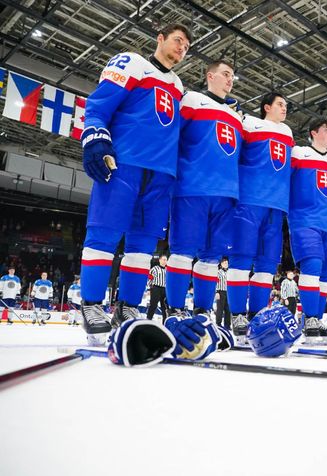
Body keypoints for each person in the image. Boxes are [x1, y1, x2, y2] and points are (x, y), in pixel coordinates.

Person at [78, 24, 191, 345]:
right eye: (177, 40)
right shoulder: (131, 62)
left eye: (187, 45)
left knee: (143, 245)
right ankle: (91, 305)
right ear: (160, 39)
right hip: (125, 163)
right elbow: (99, 105)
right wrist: (96, 138)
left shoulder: (178, 85)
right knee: (105, 231)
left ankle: (126, 307)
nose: (182, 47)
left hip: (161, 173)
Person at [165, 60, 243, 325]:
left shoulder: (236, 115)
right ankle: (174, 309)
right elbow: (172, 134)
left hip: (226, 194)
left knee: (211, 257)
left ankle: (202, 312)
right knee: (183, 251)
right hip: (192, 187)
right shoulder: (193, 100)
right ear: (210, 76)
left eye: (232, 76)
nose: (230, 79)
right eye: (225, 74)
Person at [226, 92, 294, 342]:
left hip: (276, 206)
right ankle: (237, 315)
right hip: (249, 200)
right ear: (266, 107)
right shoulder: (249, 123)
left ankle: (256, 315)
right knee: (241, 259)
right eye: (280, 104)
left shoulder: (287, 133)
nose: (284, 108)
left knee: (267, 265)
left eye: (286, 105)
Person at [288, 117, 327, 344]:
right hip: (305, 220)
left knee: (325, 276)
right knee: (312, 266)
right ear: (313, 133)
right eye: (326, 130)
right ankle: (309, 318)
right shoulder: (298, 153)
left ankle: (316, 319)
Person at [147, 255, 168, 322]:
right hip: (156, 288)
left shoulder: (168, 270)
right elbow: (149, 279)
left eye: (166, 260)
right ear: (160, 260)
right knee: (153, 305)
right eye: (163, 259)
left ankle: (165, 321)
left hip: (165, 289)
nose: (165, 261)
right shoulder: (154, 269)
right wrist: (149, 288)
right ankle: (148, 319)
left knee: (165, 307)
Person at [215, 258, 231, 329]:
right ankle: (218, 324)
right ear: (221, 264)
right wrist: (217, 292)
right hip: (220, 292)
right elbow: (216, 282)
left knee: (228, 309)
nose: (226, 264)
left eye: (227, 263)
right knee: (220, 309)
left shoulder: (229, 272)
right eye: (224, 263)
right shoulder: (218, 272)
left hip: (228, 292)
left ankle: (227, 325)